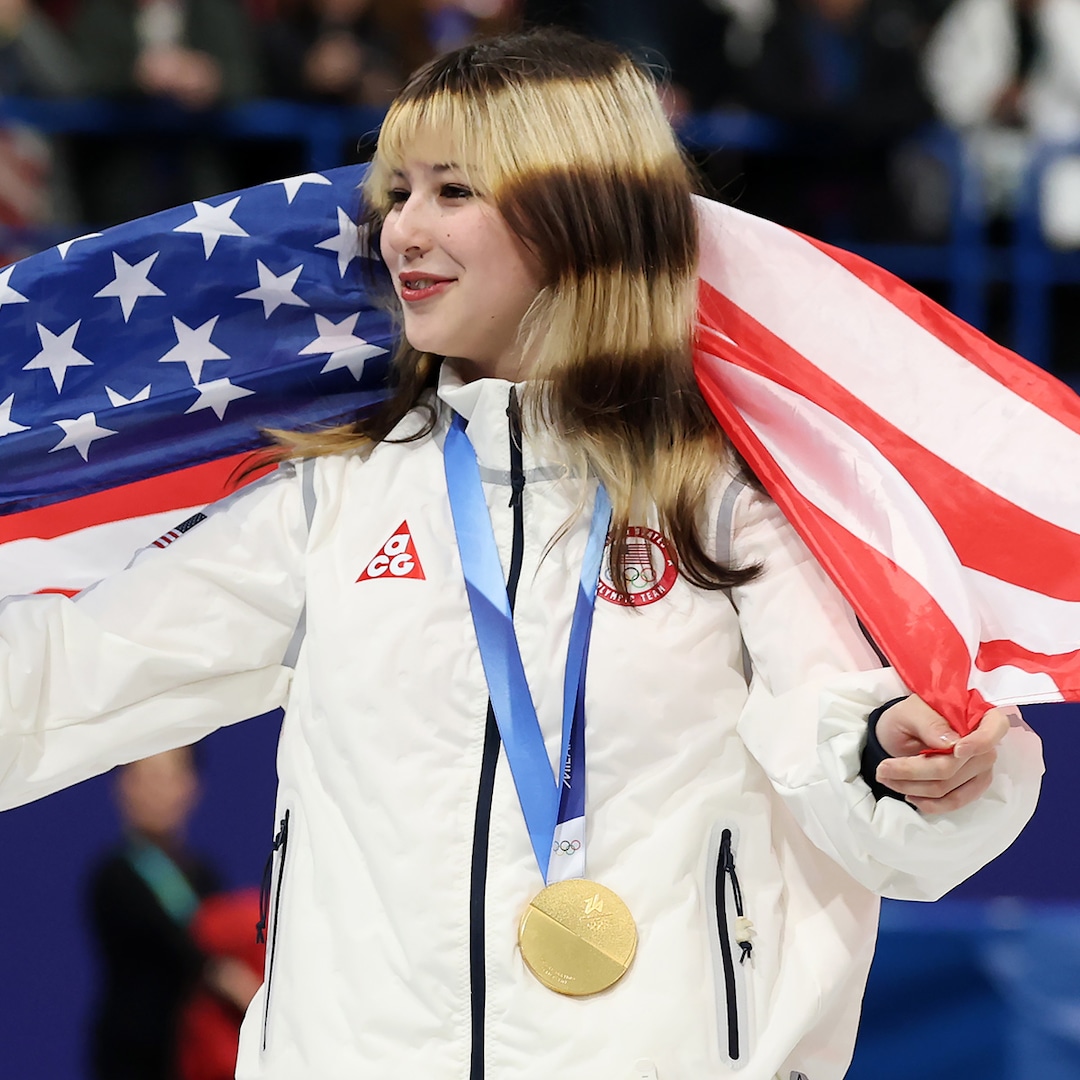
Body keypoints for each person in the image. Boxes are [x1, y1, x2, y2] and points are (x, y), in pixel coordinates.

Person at [0, 28, 1042, 1080]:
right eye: (397, 191)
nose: (401, 228)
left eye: (453, 191)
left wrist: (905, 765)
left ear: (579, 214)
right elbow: (63, 677)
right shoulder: (336, 498)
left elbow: (847, 739)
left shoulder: (726, 499)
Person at [87, 748, 262, 1080]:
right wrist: (228, 978)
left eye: (167, 777)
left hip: (195, 1049)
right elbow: (176, 942)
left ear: (191, 785)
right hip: (133, 1051)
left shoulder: (204, 876)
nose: (156, 790)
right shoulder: (113, 875)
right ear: (122, 785)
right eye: (145, 777)